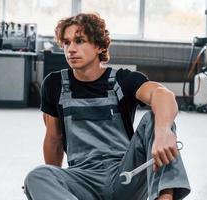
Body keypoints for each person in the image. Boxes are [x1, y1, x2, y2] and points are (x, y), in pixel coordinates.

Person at [24, 13, 190, 200]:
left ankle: (164, 198)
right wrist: (54, 184)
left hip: (125, 177)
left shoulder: (123, 80)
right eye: (66, 42)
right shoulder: (54, 84)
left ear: (100, 46)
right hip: (82, 179)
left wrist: (163, 132)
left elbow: (163, 95)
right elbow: (53, 140)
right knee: (37, 176)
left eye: (79, 41)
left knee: (155, 118)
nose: (71, 49)